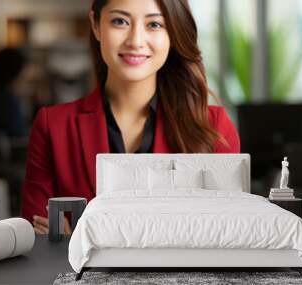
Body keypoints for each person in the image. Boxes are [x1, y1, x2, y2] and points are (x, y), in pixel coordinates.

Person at [22, 0, 240, 234]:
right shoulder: (53, 126)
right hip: (76, 272)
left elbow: (226, 233)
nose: (135, 41)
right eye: (120, 21)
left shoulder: (213, 127)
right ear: (96, 25)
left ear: (173, 33)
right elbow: (39, 238)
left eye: (154, 24)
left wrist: (76, 235)